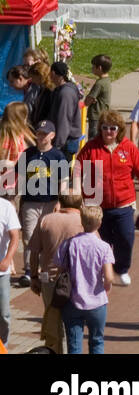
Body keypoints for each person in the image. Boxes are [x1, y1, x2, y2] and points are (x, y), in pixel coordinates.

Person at [73, 112, 139, 286]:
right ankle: (102, 271)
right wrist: (77, 191)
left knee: (126, 237)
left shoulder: (128, 147)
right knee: (102, 241)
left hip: (124, 203)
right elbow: (77, 169)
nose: (108, 132)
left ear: (119, 129)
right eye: (105, 128)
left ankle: (121, 269)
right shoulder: (91, 147)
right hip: (97, 206)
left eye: (112, 128)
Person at [26, 191, 83, 352]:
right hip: (75, 281)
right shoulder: (83, 222)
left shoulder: (46, 220)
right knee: (73, 325)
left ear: (60, 202)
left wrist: (34, 277)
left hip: (49, 279)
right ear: (80, 204)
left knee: (53, 325)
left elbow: (34, 251)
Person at [56, 204, 116, 354]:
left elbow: (60, 268)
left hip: (72, 301)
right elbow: (109, 276)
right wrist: (106, 288)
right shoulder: (104, 247)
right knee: (97, 341)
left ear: (81, 221)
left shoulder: (69, 243)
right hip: (97, 302)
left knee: (74, 343)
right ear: (100, 223)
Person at [17, 121, 69, 284]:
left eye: (44, 134)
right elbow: (18, 175)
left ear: (52, 136)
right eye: (39, 133)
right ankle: (29, 270)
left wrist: (60, 200)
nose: (41, 136)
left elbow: (64, 179)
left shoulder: (57, 156)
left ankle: (47, 268)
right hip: (30, 202)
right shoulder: (28, 153)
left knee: (48, 236)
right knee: (29, 236)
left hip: (50, 201)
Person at [45, 61, 83, 161]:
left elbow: (64, 119)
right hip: (64, 140)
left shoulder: (65, 93)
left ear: (53, 73)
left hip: (65, 142)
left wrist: (58, 144)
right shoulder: (60, 90)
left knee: (61, 173)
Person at [0, 189, 18, 345]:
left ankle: (2, 346)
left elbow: (15, 236)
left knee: (3, 314)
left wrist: (7, 259)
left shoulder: (6, 207)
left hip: (1, 272)